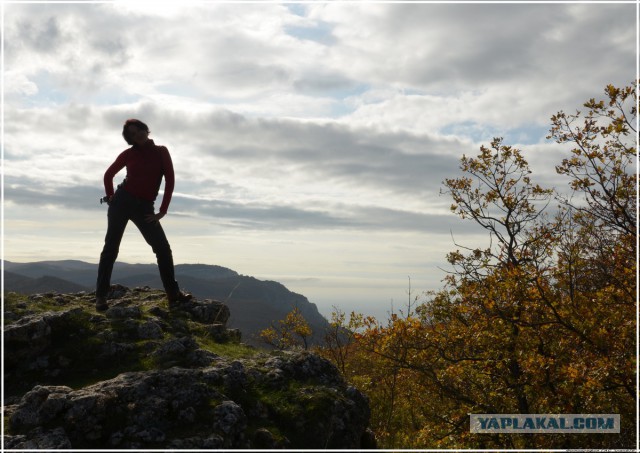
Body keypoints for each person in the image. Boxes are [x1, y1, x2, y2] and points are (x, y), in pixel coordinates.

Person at [95, 119, 191, 311]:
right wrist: (111, 197)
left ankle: (173, 295)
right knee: (111, 249)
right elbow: (108, 175)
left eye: (139, 129)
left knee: (162, 249)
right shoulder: (128, 154)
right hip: (121, 203)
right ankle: (101, 297)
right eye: (132, 133)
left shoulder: (161, 151)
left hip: (145, 208)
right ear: (129, 138)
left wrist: (162, 211)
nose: (137, 134)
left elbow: (170, 181)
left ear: (146, 130)